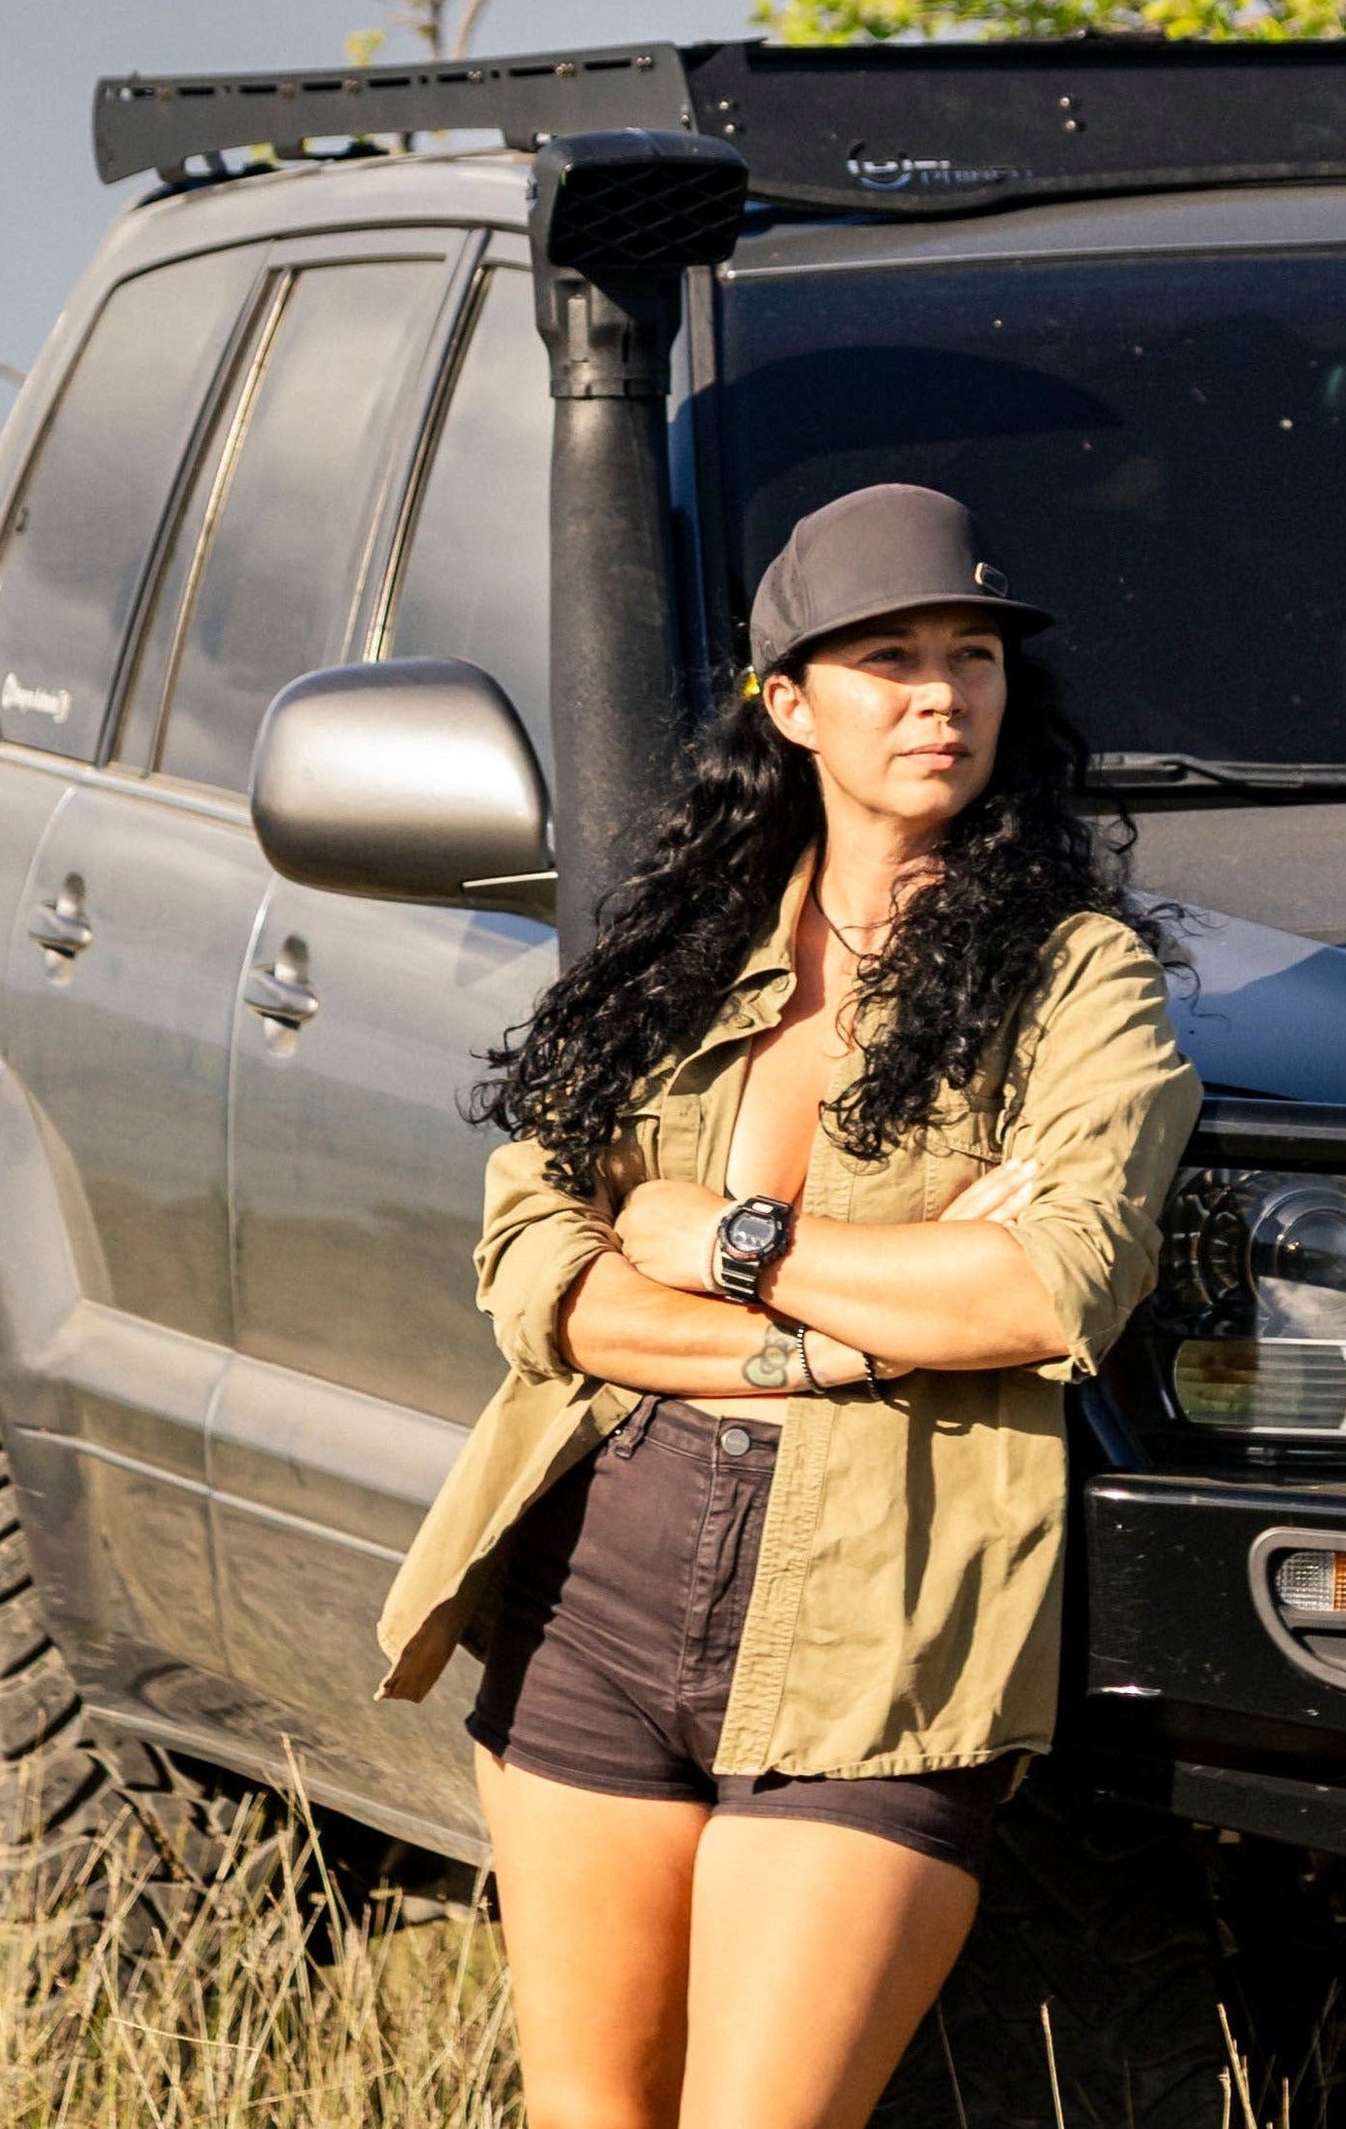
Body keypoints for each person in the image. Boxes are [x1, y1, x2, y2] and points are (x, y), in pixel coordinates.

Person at [375, 483, 1202, 2128]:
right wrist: (850, 1332)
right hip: (597, 1579)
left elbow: (1047, 1286)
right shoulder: (679, 948)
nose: (939, 693)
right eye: (887, 655)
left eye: (970, 654)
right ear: (788, 703)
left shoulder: (1075, 976)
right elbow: (542, 1271)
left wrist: (722, 1241)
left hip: (882, 1611)